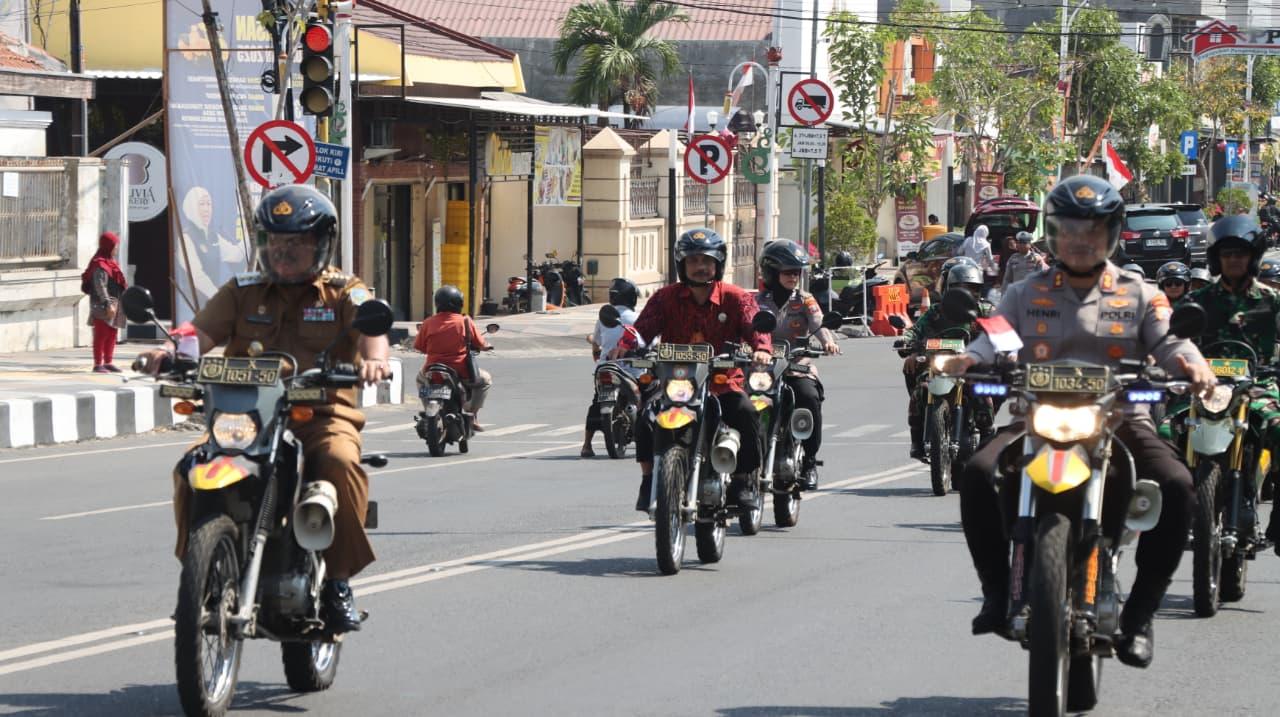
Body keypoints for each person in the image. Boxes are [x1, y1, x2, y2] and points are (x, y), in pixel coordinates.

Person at [943, 174, 1215, 668]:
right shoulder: (1025, 292)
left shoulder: (1139, 293)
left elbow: (1170, 340)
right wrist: (968, 359)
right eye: (1069, 229)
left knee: (1177, 485)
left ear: (1111, 234)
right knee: (978, 473)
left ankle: (1139, 618)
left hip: (1119, 417)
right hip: (1036, 415)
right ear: (1053, 233)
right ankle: (996, 593)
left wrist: (1193, 366)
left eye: (1092, 230)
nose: (1080, 240)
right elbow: (995, 338)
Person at [137, 184, 392, 633]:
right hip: (245, 417)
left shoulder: (342, 291)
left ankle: (337, 582)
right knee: (189, 467)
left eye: (295, 243)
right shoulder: (241, 291)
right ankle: (197, 576)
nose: (282, 253)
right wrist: (168, 351)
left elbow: (372, 326)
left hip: (320, 416)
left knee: (337, 461)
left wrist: (375, 360)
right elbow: (198, 333)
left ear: (321, 244)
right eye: (274, 242)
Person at [610, 228, 773, 512]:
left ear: (718, 264)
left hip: (722, 382)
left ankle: (744, 479)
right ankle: (649, 479)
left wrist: (761, 349)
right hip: (676, 382)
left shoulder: (736, 298)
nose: (700, 267)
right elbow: (642, 330)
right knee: (646, 417)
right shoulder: (665, 298)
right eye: (693, 261)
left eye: (707, 261)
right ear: (681, 265)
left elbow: (754, 327)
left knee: (746, 412)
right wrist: (625, 345)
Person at [1179, 216, 1280, 552]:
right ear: (1216, 259)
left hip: (1259, 384)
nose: (1234, 260)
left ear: (1252, 258)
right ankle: (1164, 515)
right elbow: (1169, 339)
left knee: (1278, 429)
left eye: (1240, 254)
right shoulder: (1199, 299)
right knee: (1164, 432)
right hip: (1204, 387)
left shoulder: (1271, 300)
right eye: (1227, 254)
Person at [754, 239, 840, 490]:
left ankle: (810, 462)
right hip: (764, 370)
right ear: (771, 272)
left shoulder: (805, 300)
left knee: (809, 398)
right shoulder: (757, 302)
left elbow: (818, 324)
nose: (794, 276)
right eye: (787, 271)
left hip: (796, 365)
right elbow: (745, 329)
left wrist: (828, 342)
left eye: (797, 272)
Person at [901, 262, 994, 460]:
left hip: (972, 365)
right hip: (939, 363)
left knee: (983, 393)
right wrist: (907, 343)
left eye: (971, 288)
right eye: (960, 288)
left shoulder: (985, 310)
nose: (966, 293)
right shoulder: (936, 311)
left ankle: (987, 436)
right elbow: (916, 331)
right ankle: (916, 440)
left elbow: (1003, 329)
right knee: (919, 386)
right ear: (949, 289)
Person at [415, 285, 493, 430]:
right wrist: (486, 346)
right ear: (459, 303)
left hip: (432, 370)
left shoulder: (428, 322)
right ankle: (471, 413)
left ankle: (428, 409)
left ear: (437, 303)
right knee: (485, 380)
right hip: (460, 371)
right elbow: (480, 343)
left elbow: (419, 346)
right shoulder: (465, 321)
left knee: (420, 379)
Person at [581, 278, 643, 457]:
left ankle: (586, 445)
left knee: (596, 403)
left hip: (606, 368)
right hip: (633, 371)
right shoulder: (638, 318)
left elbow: (598, 341)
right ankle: (648, 436)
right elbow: (651, 340)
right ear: (631, 297)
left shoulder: (604, 317)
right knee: (649, 398)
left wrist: (593, 343)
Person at [82, 231, 128, 373]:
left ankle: (108, 362)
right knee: (101, 334)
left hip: (115, 302)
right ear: (108, 246)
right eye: (114, 246)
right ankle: (97, 364)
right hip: (102, 304)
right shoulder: (100, 264)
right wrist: (108, 303)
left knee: (112, 333)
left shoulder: (111, 262)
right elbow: (100, 285)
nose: (116, 249)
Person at [961, 224, 999, 289]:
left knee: (965, 288)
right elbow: (990, 260)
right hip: (978, 271)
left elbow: (959, 252)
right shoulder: (986, 244)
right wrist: (996, 271)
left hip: (965, 269)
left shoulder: (968, 240)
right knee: (977, 289)